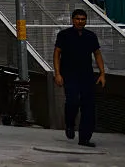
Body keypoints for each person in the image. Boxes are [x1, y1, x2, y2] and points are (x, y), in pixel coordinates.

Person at [54, 8, 106, 147]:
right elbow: (57, 53)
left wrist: (102, 73)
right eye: (77, 19)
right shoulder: (64, 35)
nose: (80, 21)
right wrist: (57, 73)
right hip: (69, 75)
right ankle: (70, 124)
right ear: (73, 20)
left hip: (87, 76)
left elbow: (97, 54)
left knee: (88, 107)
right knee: (72, 102)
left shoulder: (90, 36)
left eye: (83, 19)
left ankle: (85, 138)